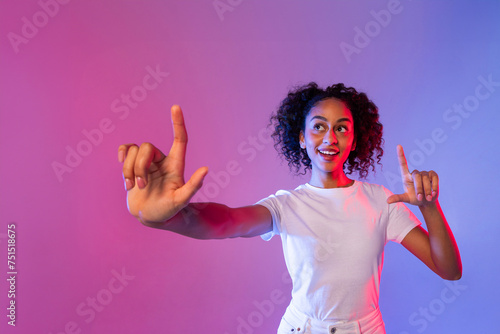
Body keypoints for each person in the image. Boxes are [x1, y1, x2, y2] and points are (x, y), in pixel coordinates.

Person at [117, 83, 462, 334]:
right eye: (319, 127)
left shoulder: (380, 200)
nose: (330, 138)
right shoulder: (287, 205)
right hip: (302, 328)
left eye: (342, 128)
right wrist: (172, 217)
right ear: (301, 138)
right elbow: (226, 222)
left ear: (354, 140)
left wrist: (430, 207)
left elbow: (449, 270)